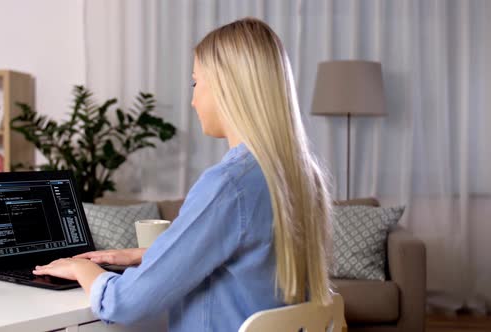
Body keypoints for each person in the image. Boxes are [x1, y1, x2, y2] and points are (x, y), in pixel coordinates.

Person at [33, 17, 332, 331]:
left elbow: (124, 302)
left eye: (196, 83)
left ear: (227, 86)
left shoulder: (229, 185)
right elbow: (252, 259)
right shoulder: (302, 176)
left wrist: (81, 268)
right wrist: (148, 256)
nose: (192, 100)